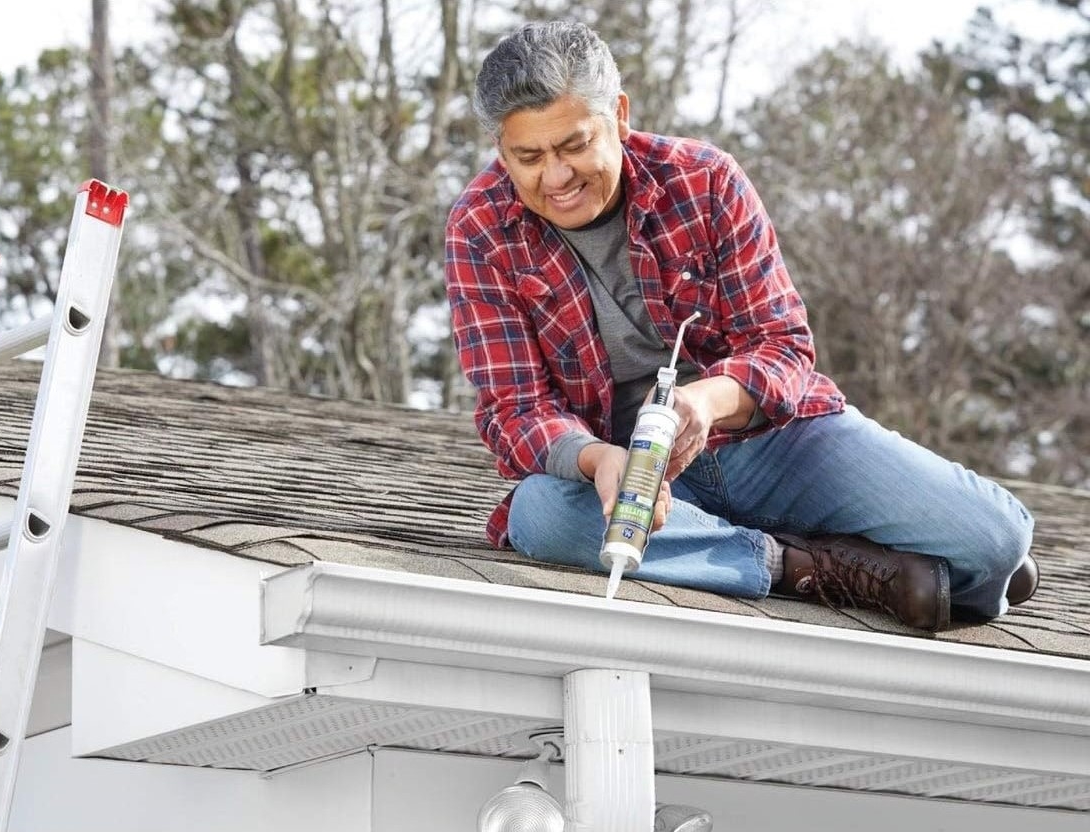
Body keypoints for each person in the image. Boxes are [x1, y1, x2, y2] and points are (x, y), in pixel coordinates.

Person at [443, 20, 1037, 631]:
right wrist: (597, 460)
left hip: (774, 442)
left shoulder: (705, 179)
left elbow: (783, 347)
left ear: (618, 116)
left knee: (995, 542)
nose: (556, 177)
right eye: (529, 157)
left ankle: (929, 559)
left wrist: (704, 402)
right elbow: (514, 409)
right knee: (542, 516)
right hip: (636, 474)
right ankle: (799, 562)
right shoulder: (478, 227)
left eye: (573, 146)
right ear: (501, 151)